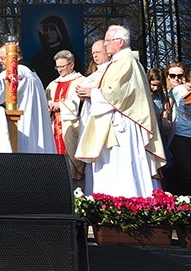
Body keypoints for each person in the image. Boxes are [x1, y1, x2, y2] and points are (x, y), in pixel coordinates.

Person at [75, 25, 166, 197]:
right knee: (112, 169)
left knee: (122, 168)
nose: (106, 44)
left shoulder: (127, 62)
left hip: (122, 127)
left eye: (109, 41)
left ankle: (126, 204)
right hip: (113, 124)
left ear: (121, 42)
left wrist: (92, 93)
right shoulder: (118, 62)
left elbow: (119, 93)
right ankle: (110, 205)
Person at [75, 40, 111, 193]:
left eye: (98, 52)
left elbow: (114, 95)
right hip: (89, 120)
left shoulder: (112, 71)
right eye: (93, 53)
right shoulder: (92, 75)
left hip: (106, 123)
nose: (95, 56)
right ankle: (92, 193)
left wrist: (92, 93)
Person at [46, 50, 85, 182]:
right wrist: (49, 104)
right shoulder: (53, 84)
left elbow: (79, 104)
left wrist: (60, 105)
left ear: (71, 65)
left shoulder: (81, 81)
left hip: (70, 126)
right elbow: (44, 102)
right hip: (54, 126)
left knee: (72, 163)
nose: (59, 70)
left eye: (62, 66)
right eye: (57, 67)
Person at [29, 15, 82, 87]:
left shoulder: (71, 56)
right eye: (45, 29)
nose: (48, 33)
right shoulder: (38, 58)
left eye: (52, 29)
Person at [165, 68, 191, 195]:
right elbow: (170, 104)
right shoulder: (177, 90)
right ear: (185, 81)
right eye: (189, 85)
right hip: (181, 135)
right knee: (186, 171)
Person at [147, 68, 173, 190]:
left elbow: (165, 109)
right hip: (149, 135)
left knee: (163, 166)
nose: (155, 88)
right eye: (153, 85)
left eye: (158, 85)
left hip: (160, 134)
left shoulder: (160, 97)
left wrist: (164, 117)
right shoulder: (145, 95)